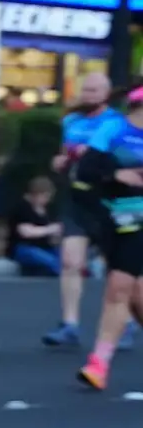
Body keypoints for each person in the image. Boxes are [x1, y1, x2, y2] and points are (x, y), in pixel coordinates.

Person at [42, 72, 123, 347]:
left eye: (94, 91)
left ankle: (125, 323)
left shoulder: (117, 123)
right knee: (70, 261)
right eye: (85, 90)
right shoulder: (71, 121)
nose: (88, 95)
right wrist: (60, 161)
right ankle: (69, 324)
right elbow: (65, 153)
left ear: (106, 94)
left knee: (119, 269)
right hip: (77, 199)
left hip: (109, 200)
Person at [73, 86, 143, 391]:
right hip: (114, 220)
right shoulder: (113, 129)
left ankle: (98, 364)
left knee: (119, 285)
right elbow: (86, 171)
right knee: (135, 295)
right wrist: (115, 175)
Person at [6, 176, 63, 276]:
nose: (47, 200)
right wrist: (50, 229)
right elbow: (26, 232)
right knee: (51, 261)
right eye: (45, 196)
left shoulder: (47, 210)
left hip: (45, 247)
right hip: (24, 248)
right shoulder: (22, 208)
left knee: (66, 258)